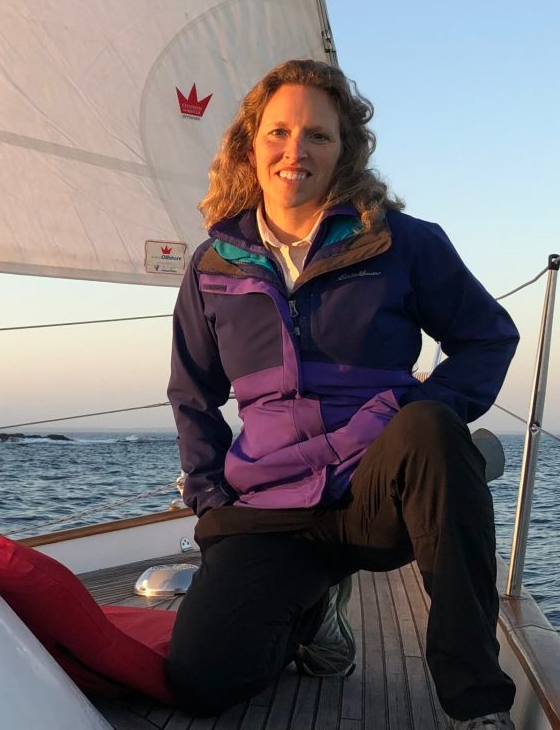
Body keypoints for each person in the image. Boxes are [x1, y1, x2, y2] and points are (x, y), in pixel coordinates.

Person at [164, 59, 519, 729]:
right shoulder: (213, 265)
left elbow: (486, 337)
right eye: (278, 132)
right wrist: (211, 497)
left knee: (434, 430)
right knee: (203, 680)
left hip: (372, 492)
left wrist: (416, 414)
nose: (295, 150)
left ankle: (477, 702)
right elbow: (192, 390)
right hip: (270, 504)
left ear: (344, 148)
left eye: (317, 135)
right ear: (249, 144)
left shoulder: (403, 243)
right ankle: (313, 615)